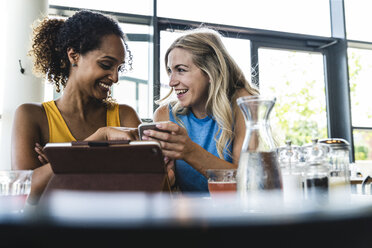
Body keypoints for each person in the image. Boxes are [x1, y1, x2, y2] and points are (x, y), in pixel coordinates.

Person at [11, 10, 141, 204]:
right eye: (106, 65)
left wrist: (58, 162)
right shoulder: (32, 115)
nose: (115, 78)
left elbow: (139, 188)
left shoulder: (124, 116)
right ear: (74, 56)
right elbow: (24, 194)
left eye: (119, 68)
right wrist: (98, 140)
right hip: (51, 233)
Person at [141, 27, 259, 193]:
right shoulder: (164, 115)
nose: (171, 82)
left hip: (234, 214)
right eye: (170, 71)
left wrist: (189, 151)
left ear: (210, 72)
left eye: (181, 70)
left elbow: (248, 182)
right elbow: (167, 191)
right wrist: (168, 181)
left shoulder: (243, 104)